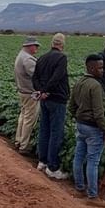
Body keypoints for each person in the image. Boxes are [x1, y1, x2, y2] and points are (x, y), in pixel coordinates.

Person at [68, 53, 105, 207]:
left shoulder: (79, 82)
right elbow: (99, 114)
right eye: (100, 67)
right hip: (93, 128)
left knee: (79, 157)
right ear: (91, 68)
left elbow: (71, 107)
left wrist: (79, 117)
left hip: (81, 125)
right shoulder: (96, 86)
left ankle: (79, 188)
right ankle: (93, 196)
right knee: (93, 161)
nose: (102, 70)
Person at [32, 33, 70, 180]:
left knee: (44, 129)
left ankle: (42, 161)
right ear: (62, 44)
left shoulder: (42, 58)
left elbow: (34, 78)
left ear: (52, 43)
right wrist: (46, 90)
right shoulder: (62, 58)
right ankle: (53, 167)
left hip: (45, 100)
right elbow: (57, 76)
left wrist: (41, 91)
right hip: (57, 99)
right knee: (56, 132)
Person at [13, 36, 40, 155]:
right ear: (30, 46)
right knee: (29, 119)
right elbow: (37, 75)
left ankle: (18, 140)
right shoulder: (28, 59)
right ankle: (24, 145)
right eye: (36, 46)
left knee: (23, 117)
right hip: (30, 93)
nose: (37, 48)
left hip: (23, 92)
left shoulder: (21, 55)